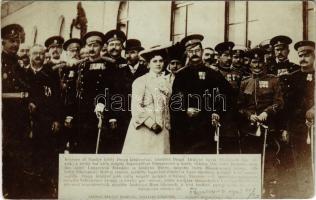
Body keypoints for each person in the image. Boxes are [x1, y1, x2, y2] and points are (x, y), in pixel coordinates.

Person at [170, 34, 233, 154]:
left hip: (207, 125)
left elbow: (227, 94)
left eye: (197, 50)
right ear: (186, 53)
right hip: (187, 126)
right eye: (190, 51)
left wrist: (217, 111)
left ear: (202, 51)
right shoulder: (180, 75)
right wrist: (185, 110)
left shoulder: (213, 73)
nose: (194, 53)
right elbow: (174, 100)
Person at [238, 47, 283, 197]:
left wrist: (267, 112)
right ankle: (254, 190)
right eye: (254, 62)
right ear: (250, 63)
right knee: (251, 159)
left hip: (268, 128)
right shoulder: (245, 82)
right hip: (249, 129)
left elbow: (279, 102)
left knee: (269, 158)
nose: (257, 66)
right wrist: (249, 115)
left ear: (265, 63)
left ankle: (271, 190)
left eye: (260, 62)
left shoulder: (273, 80)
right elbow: (240, 106)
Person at [24, 44, 62, 198]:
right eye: (35, 54)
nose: (38, 56)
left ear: (45, 56)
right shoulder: (23, 74)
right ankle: (31, 188)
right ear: (30, 56)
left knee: (47, 155)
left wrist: (57, 119)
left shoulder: (50, 74)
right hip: (28, 122)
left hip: (47, 122)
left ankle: (47, 188)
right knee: (30, 155)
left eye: (41, 53)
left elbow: (58, 99)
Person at [122, 45, 171, 154]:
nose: (158, 64)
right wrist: (151, 124)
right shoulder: (141, 81)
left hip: (162, 130)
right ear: (148, 64)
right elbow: (135, 107)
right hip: (145, 128)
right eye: (154, 61)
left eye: (161, 61)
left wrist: (167, 124)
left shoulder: (166, 83)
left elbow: (166, 106)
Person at [75, 31, 118, 153]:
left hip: (103, 111)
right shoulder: (81, 65)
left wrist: (112, 116)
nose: (92, 48)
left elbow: (114, 91)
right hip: (83, 112)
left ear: (102, 47)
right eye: (89, 45)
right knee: (83, 146)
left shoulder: (110, 65)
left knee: (101, 148)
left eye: (95, 45)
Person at [1, 23, 30, 199]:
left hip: (19, 116)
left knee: (18, 151)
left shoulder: (18, 64)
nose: (15, 45)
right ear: (2, 41)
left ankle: (15, 188)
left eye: (17, 41)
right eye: (12, 41)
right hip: (4, 115)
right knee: (5, 151)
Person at [284, 40, 315, 198]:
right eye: (300, 55)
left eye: (307, 55)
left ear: (314, 55)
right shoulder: (292, 78)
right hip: (298, 128)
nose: (303, 58)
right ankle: (305, 194)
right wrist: (287, 128)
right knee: (300, 161)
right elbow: (287, 107)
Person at [214, 41, 241, 153]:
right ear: (219, 57)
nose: (229, 58)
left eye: (230, 55)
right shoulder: (212, 72)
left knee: (231, 146)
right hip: (217, 114)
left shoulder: (238, 73)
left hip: (232, 116)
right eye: (225, 55)